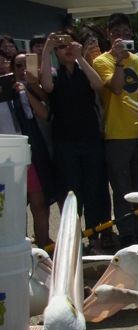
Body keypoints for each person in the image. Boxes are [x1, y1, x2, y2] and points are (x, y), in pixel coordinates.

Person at [40, 32, 113, 248]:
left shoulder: (84, 70)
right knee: (72, 192)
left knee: (93, 189)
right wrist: (46, 49)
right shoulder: (54, 73)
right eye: (62, 48)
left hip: (90, 140)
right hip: (65, 143)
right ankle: (74, 239)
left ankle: (95, 236)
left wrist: (81, 57)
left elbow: (98, 85)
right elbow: (46, 86)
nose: (67, 50)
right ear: (56, 53)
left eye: (70, 45)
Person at [92, 12, 138, 248]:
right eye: (117, 34)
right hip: (116, 137)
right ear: (110, 36)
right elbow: (117, 89)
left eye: (126, 34)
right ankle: (127, 234)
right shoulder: (102, 61)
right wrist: (119, 60)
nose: (123, 38)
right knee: (122, 191)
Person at [5, 51, 59, 248]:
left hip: (32, 155)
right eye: (17, 66)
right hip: (7, 158)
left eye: (24, 65)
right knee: (13, 208)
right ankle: (18, 245)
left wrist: (26, 90)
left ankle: (44, 244)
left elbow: (45, 114)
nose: (21, 70)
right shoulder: (4, 93)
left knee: (39, 204)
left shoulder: (34, 89)